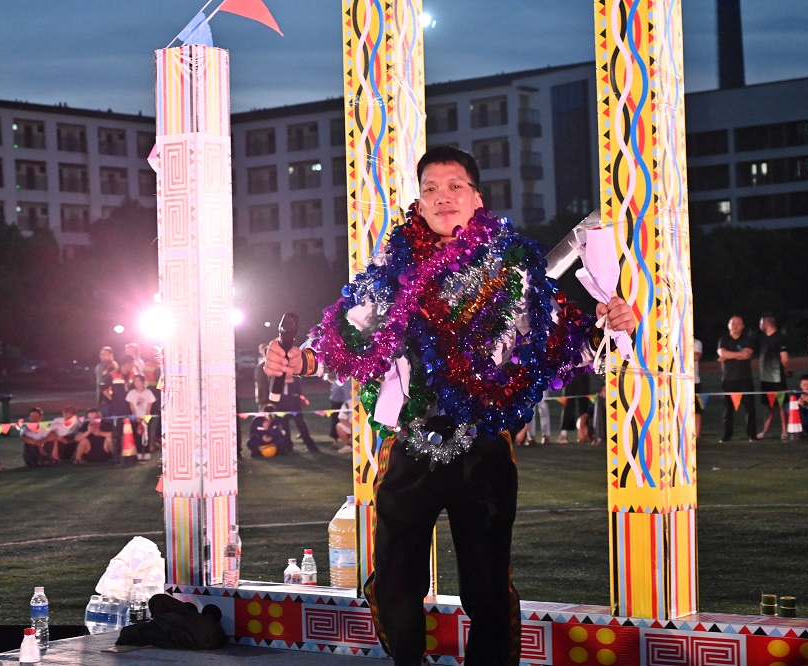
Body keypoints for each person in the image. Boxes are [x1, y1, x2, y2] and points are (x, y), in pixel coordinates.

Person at [263, 146, 635, 664]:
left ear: (477, 198)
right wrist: (299, 360)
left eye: (455, 186)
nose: (443, 197)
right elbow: (352, 335)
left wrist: (608, 327)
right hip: (411, 442)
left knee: (487, 583)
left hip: (484, 443)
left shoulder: (513, 267)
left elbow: (559, 342)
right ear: (418, 203)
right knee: (394, 578)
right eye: (431, 189)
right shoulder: (391, 267)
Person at [717, 315, 757, 443]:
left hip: (745, 379)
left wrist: (728, 356)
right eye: (732, 323)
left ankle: (752, 435)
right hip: (728, 380)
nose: (735, 326)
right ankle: (727, 435)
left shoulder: (748, 339)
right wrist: (739, 354)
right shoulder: (723, 340)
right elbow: (722, 353)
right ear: (728, 325)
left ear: (743, 326)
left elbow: (747, 355)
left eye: (738, 323)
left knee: (750, 409)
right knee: (727, 410)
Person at [756, 314, 789, 440]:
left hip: (777, 377)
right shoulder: (762, 338)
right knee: (768, 406)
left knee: (780, 405)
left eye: (761, 322)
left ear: (766, 323)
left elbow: (784, 358)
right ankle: (766, 430)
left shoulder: (780, 337)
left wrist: (784, 370)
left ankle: (784, 431)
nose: (760, 325)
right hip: (765, 378)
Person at [276, 374, 320, 453]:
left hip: (294, 404)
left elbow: (297, 388)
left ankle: (310, 445)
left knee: (301, 425)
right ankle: (288, 446)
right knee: (284, 426)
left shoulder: (294, 375)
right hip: (282, 404)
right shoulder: (278, 376)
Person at [125, 374, 156, 461]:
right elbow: (131, 406)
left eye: (138, 381)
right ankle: (139, 453)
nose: (136, 383)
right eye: (135, 381)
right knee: (137, 435)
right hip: (136, 417)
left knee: (146, 434)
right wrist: (136, 416)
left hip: (146, 417)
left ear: (143, 382)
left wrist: (146, 415)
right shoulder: (131, 393)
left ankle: (146, 453)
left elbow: (149, 404)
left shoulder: (148, 392)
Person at [328, 377, 353, 449]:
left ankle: (352, 441)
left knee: (350, 416)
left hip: (347, 381)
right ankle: (335, 439)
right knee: (335, 417)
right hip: (336, 395)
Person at [694, 338, 704, 438]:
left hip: (694, 381)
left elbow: (696, 357)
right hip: (677, 381)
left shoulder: (696, 342)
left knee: (697, 409)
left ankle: (697, 434)